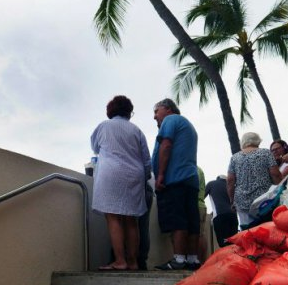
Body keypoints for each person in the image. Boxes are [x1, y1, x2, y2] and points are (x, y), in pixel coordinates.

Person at [91, 95, 152, 271]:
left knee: (112, 216)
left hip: (111, 173)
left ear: (110, 110)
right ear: (128, 111)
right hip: (134, 175)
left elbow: (95, 147)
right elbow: (146, 160)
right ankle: (133, 262)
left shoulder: (103, 126)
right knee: (131, 219)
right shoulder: (137, 130)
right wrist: (144, 177)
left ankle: (120, 261)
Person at [151, 98, 201, 271]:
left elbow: (166, 145)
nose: (155, 117)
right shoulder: (188, 125)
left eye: (156, 111)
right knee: (191, 220)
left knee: (177, 219)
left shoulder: (170, 120)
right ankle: (192, 259)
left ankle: (179, 260)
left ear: (167, 108)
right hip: (189, 179)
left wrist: (160, 175)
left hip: (175, 179)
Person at [227, 132, 282, 229]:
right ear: (257, 141)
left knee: (247, 231)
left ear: (243, 142)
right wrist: (280, 189)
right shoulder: (265, 153)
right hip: (264, 200)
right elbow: (275, 174)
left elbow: (230, 181)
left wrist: (232, 200)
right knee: (268, 228)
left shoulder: (234, 158)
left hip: (242, 202)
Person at [204, 175, 237, 247]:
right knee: (234, 244)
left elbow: (201, 197)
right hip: (233, 216)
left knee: (224, 244)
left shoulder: (211, 184)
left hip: (220, 216)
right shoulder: (232, 187)